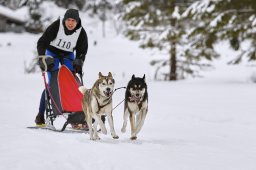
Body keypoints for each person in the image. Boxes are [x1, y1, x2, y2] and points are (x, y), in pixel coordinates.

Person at [35, 9, 88, 125]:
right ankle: (41, 114)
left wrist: (79, 60)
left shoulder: (81, 32)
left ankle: (76, 114)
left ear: (77, 21)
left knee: (72, 82)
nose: (70, 23)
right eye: (68, 20)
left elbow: (82, 50)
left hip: (68, 55)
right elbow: (42, 42)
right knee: (54, 82)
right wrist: (42, 58)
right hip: (52, 54)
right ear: (64, 20)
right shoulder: (56, 26)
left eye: (73, 20)